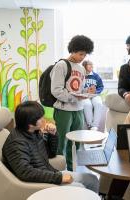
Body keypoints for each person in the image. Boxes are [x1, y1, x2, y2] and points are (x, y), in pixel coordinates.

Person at [2, 101, 99, 193]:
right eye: (40, 118)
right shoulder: (16, 143)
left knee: (92, 179)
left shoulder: (33, 132)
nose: (44, 120)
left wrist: (52, 135)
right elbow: (25, 172)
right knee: (80, 189)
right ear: (30, 123)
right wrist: (59, 178)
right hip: (40, 183)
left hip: (49, 174)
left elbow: (51, 154)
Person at [50, 35, 94, 171]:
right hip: (64, 110)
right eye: (80, 53)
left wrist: (87, 91)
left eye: (85, 54)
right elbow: (56, 91)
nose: (82, 57)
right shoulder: (61, 65)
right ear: (73, 50)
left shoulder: (81, 69)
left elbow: (78, 89)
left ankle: (71, 170)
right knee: (61, 143)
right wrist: (75, 98)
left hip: (78, 110)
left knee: (75, 143)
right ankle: (59, 172)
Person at [82, 60, 104, 131]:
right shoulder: (81, 75)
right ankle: (90, 124)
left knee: (99, 103)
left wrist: (96, 91)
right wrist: (85, 91)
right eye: (89, 64)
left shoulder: (96, 76)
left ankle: (95, 126)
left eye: (92, 64)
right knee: (87, 105)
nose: (92, 66)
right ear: (84, 66)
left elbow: (101, 86)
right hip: (85, 95)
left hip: (95, 95)